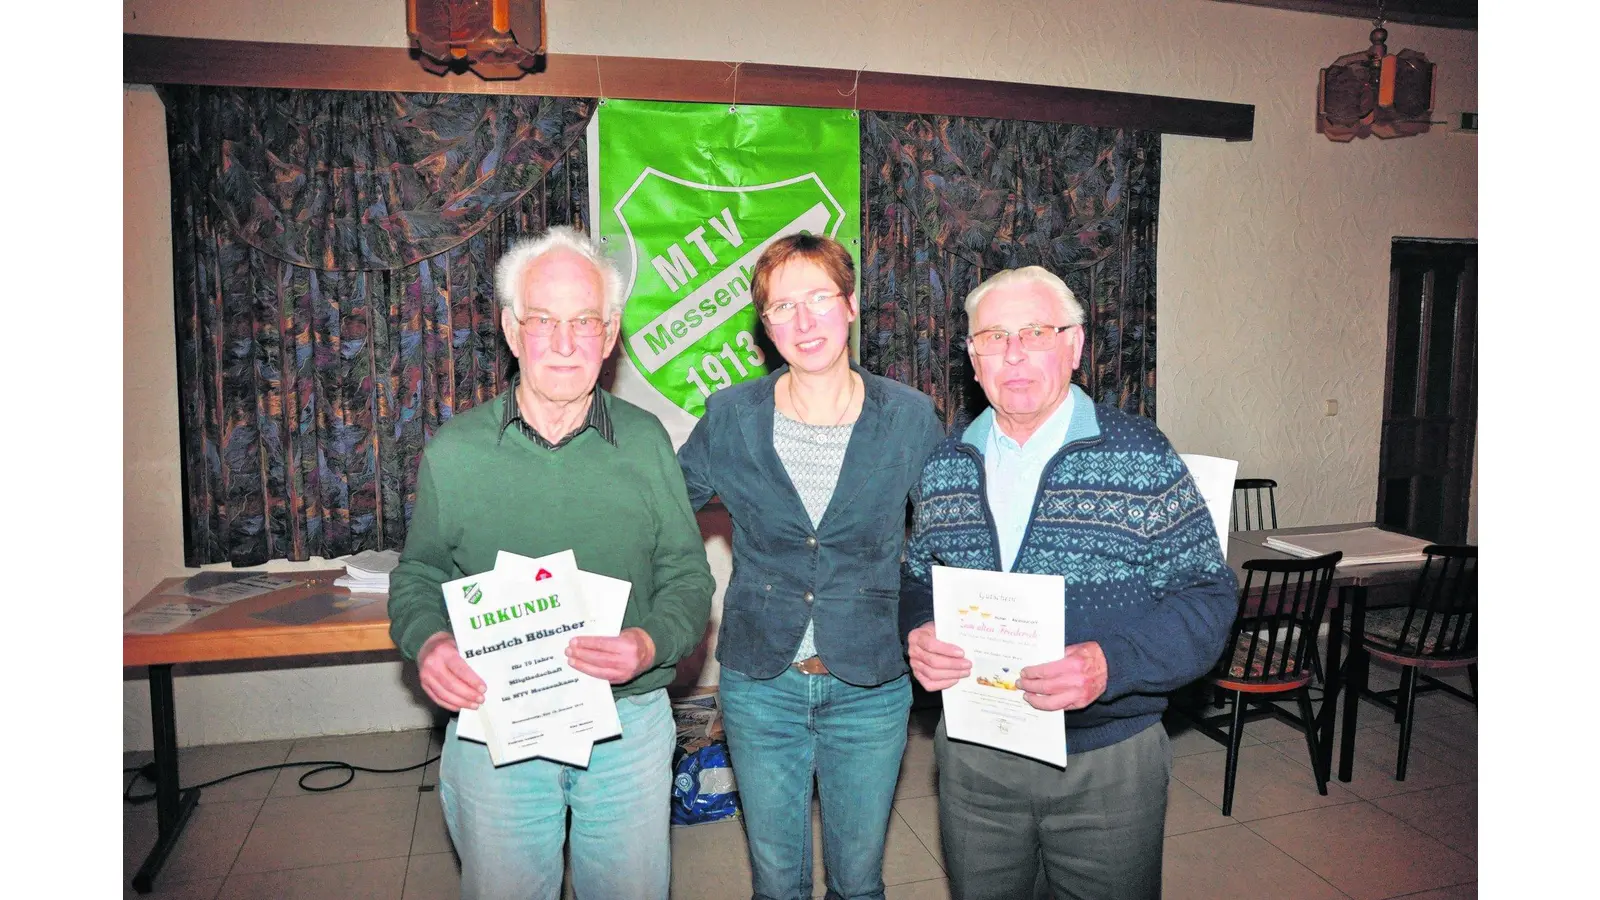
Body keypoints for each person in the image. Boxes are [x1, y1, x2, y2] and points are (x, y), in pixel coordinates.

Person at [387, 225, 714, 900]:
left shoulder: (648, 443)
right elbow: (417, 575)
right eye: (543, 321)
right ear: (512, 329)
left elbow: (688, 575)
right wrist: (430, 642)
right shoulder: (456, 451)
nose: (565, 343)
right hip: (493, 729)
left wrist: (649, 642)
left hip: (628, 725)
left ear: (611, 330)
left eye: (583, 321)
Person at [899, 266, 1238, 900]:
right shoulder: (944, 466)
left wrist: (1113, 664)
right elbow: (918, 579)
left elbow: (1208, 597)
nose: (1014, 353)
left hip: (1105, 760)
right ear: (973, 359)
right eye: (993, 337)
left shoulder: (1140, 454)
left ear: (1075, 346)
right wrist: (917, 628)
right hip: (976, 756)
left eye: (1034, 332)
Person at [677, 233, 945, 900]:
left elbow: (947, 541)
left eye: (819, 298)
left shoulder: (910, 418)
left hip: (872, 683)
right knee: (777, 883)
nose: (803, 321)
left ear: (851, 305)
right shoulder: (732, 416)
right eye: (781, 307)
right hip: (760, 684)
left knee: (858, 882)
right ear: (764, 326)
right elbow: (659, 508)